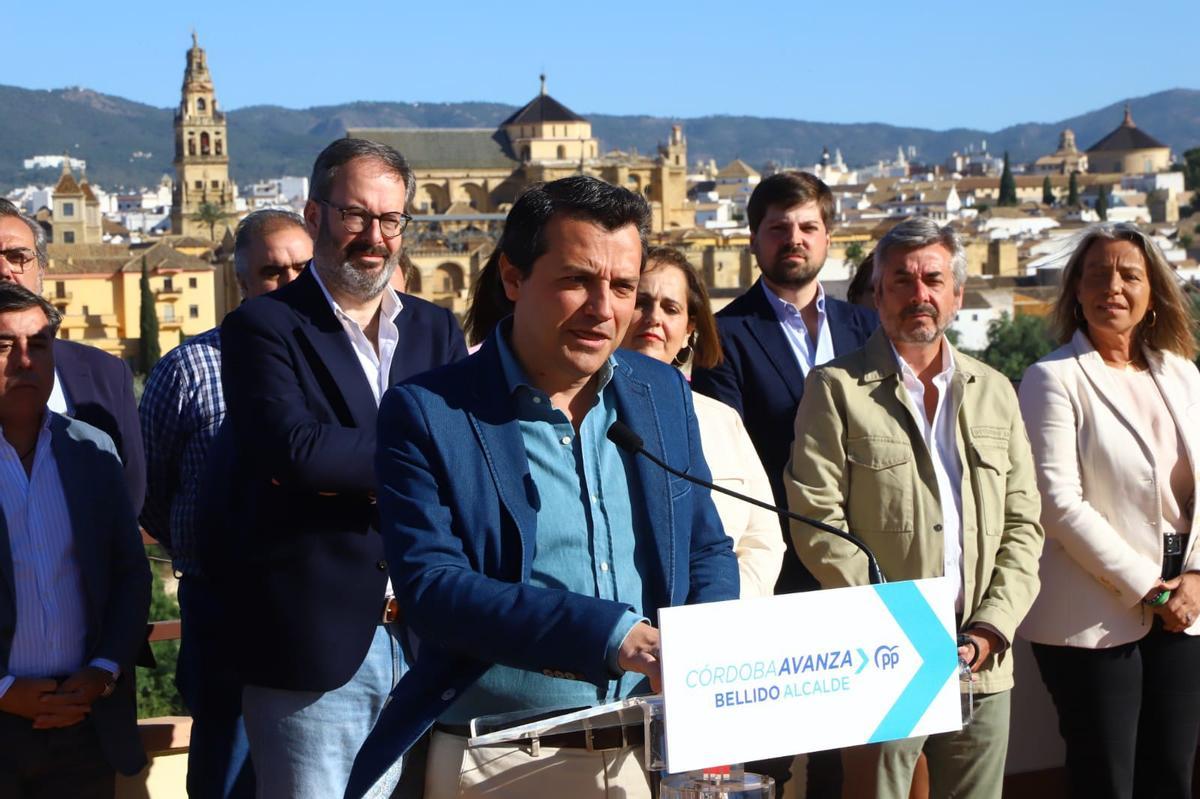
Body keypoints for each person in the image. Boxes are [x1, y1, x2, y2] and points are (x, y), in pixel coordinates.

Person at [348, 176, 739, 799]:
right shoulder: (429, 412)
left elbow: (705, 548)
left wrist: (704, 645)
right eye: (576, 280)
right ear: (512, 278)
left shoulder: (660, 393)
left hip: (654, 755)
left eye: (622, 287)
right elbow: (434, 589)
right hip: (505, 758)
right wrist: (613, 638)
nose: (603, 309)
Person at [210, 138, 467, 798]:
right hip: (314, 650)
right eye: (357, 216)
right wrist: (423, 456)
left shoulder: (436, 330)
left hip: (429, 643)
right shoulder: (263, 326)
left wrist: (357, 460)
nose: (374, 237)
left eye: (391, 220)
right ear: (315, 216)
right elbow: (293, 451)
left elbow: (470, 455)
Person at [787, 217, 1044, 799]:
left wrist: (991, 627)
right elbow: (816, 521)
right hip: (885, 660)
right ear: (877, 295)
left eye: (933, 279)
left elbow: (1024, 527)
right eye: (901, 280)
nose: (919, 294)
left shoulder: (996, 390)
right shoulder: (835, 388)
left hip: (983, 662)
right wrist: (898, 626)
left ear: (956, 294)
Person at [690, 170, 877, 796]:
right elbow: (730, 452)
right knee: (765, 754)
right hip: (776, 565)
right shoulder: (726, 332)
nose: (793, 240)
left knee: (848, 748)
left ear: (830, 237)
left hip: (862, 560)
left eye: (807, 227)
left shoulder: (866, 328)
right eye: (778, 229)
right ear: (753, 241)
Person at [1017, 223, 1200, 798]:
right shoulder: (1052, 379)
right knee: (1108, 782)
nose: (1112, 287)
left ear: (1153, 294)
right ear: (1075, 290)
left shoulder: (1182, 373)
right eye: (1097, 275)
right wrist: (1154, 589)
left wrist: (1194, 576)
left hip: (1186, 609)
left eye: (1129, 275)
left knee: (1171, 773)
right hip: (1091, 617)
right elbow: (1057, 502)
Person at [139, 208, 311, 798]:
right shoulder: (188, 369)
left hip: (330, 614)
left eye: (303, 268)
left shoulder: (351, 370)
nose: (289, 282)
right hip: (224, 609)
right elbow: (151, 492)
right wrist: (206, 547)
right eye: (271, 271)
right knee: (228, 774)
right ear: (242, 281)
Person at [0, 282, 151, 798]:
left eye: (38, 345)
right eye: (3, 346)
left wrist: (105, 669)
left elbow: (130, 573)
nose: (24, 361)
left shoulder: (92, 450)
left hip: (86, 725)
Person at [621, 245, 783, 597]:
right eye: (640, 302)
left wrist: (722, 610)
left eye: (671, 308)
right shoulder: (583, 414)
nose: (654, 318)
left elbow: (763, 538)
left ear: (689, 328)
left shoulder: (722, 421)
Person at [0, 199, 145, 511]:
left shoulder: (105, 374)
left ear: (42, 270)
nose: (4, 270)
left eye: (17, 257)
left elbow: (130, 492)